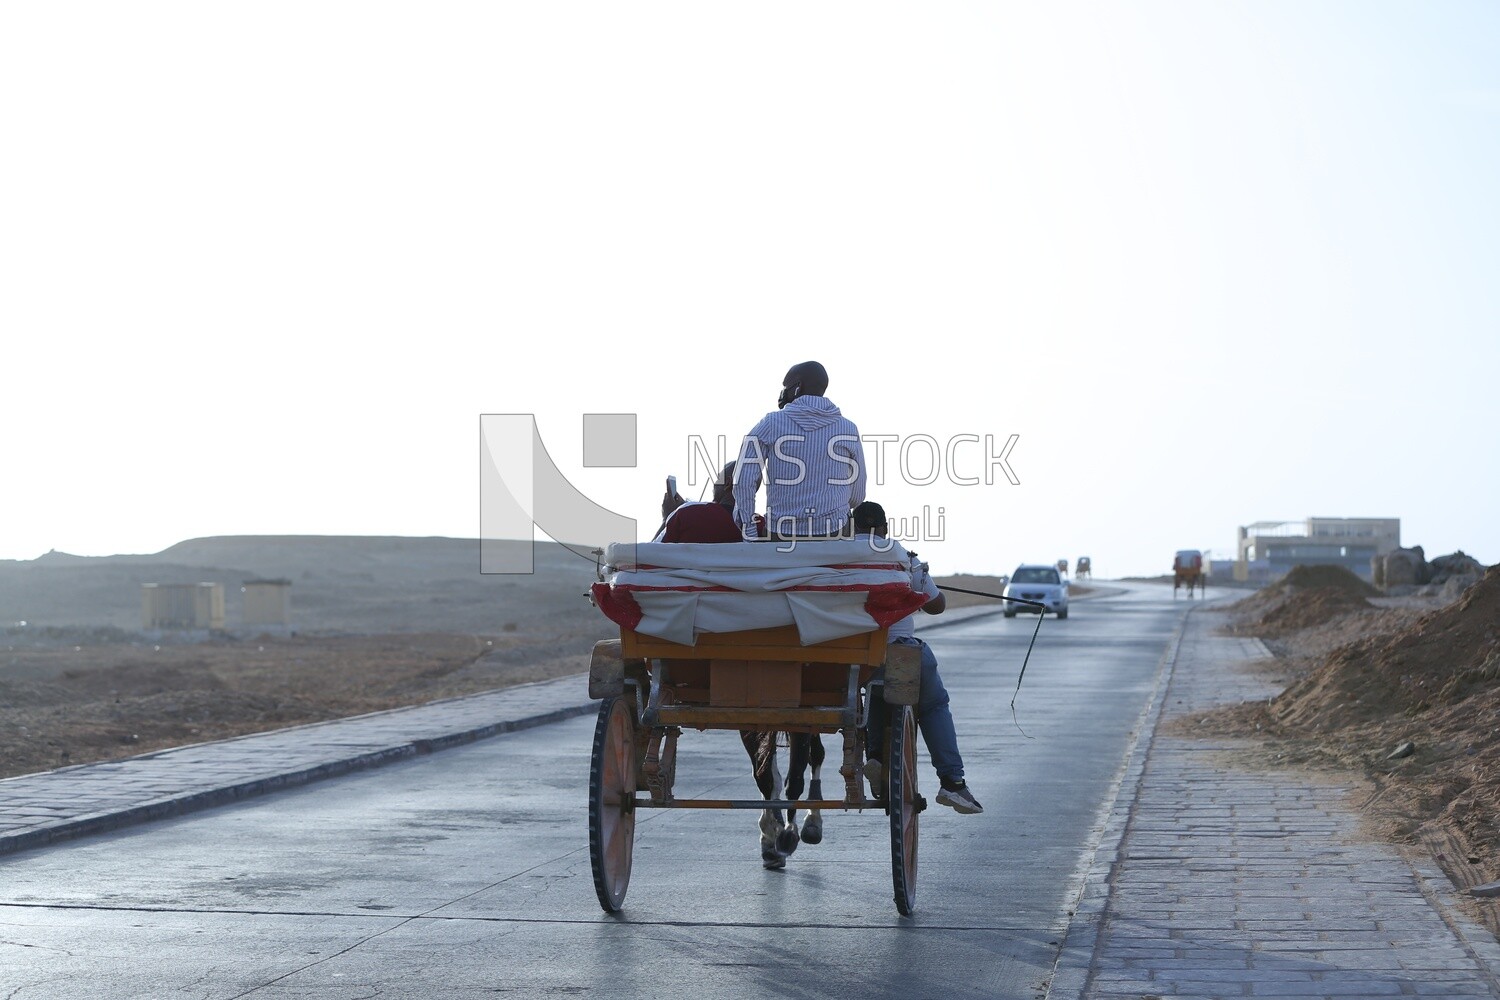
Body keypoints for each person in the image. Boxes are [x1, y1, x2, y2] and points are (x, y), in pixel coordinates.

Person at [854, 500, 983, 815]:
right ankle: (952, 782)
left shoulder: (836, 558)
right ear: (884, 529)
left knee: (873, 683)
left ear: (852, 528)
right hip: (896, 650)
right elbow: (936, 606)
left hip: (851, 657)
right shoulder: (902, 557)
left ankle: (876, 757)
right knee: (933, 701)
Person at [733, 361, 866, 540]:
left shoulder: (771, 423)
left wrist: (749, 529)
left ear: (797, 386)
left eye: (786, 386)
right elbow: (857, 494)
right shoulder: (848, 429)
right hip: (835, 531)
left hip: (781, 532)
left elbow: (743, 480)